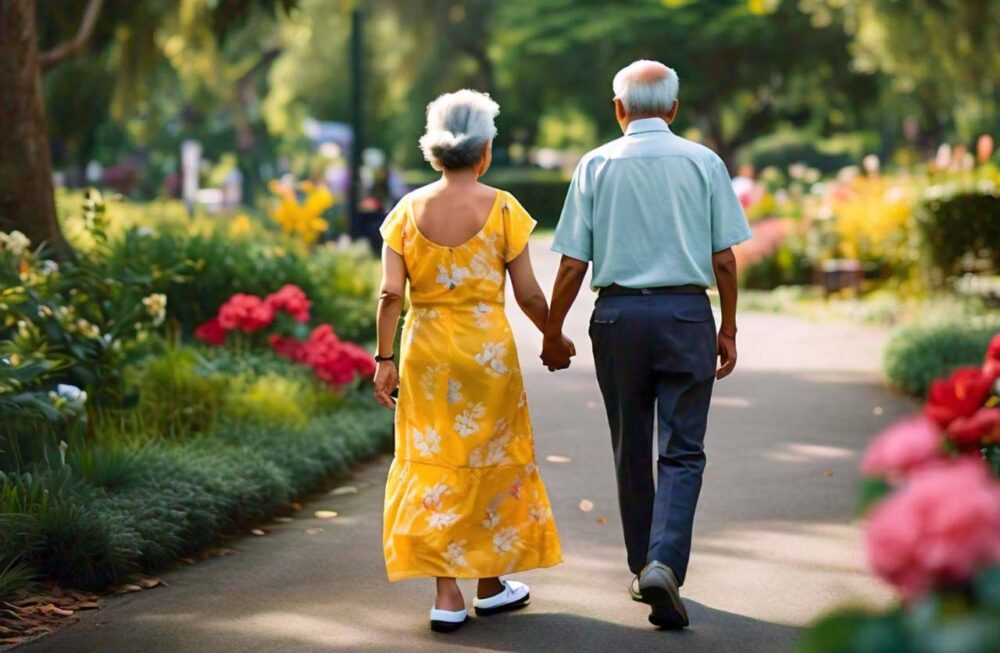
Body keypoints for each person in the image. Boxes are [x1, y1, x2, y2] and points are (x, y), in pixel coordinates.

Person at [541, 60, 751, 630]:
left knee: (631, 446)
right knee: (682, 449)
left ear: (618, 108)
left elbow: (572, 265)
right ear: (674, 109)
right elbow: (725, 260)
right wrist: (728, 328)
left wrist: (553, 332)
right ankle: (664, 564)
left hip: (618, 318)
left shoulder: (595, 164)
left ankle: (644, 567)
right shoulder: (704, 162)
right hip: (685, 316)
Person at [373, 90, 566, 633]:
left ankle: (448, 594)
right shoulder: (503, 208)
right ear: (484, 151)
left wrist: (384, 358)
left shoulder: (405, 212)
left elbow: (390, 295)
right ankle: (490, 582)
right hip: (487, 355)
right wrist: (552, 337)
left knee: (435, 460)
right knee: (490, 457)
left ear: (435, 150)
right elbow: (529, 294)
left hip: (427, 353)